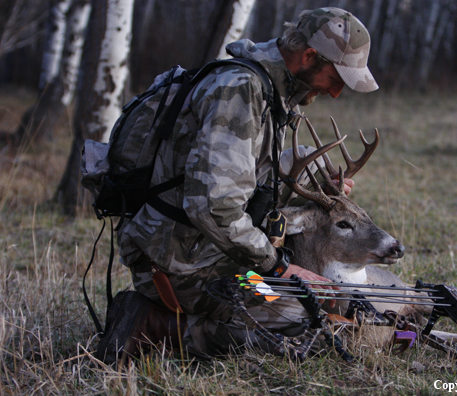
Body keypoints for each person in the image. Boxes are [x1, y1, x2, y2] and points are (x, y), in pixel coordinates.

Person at [96, 7, 379, 363]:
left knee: (316, 300)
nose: (336, 93)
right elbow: (215, 207)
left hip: (205, 249)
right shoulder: (240, 92)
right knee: (300, 313)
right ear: (309, 56)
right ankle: (153, 326)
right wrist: (276, 265)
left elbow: (250, 170)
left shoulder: (268, 90)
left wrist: (317, 176)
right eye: (336, 78)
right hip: (180, 262)